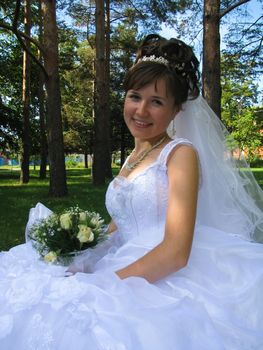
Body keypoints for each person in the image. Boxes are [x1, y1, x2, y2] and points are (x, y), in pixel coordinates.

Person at [0, 34, 263, 350]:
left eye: (156, 102)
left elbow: (177, 252)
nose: (141, 110)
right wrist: (84, 250)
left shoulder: (180, 154)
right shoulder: (133, 156)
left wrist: (107, 282)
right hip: (121, 257)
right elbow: (123, 220)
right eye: (134, 96)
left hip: (160, 273)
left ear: (177, 110)